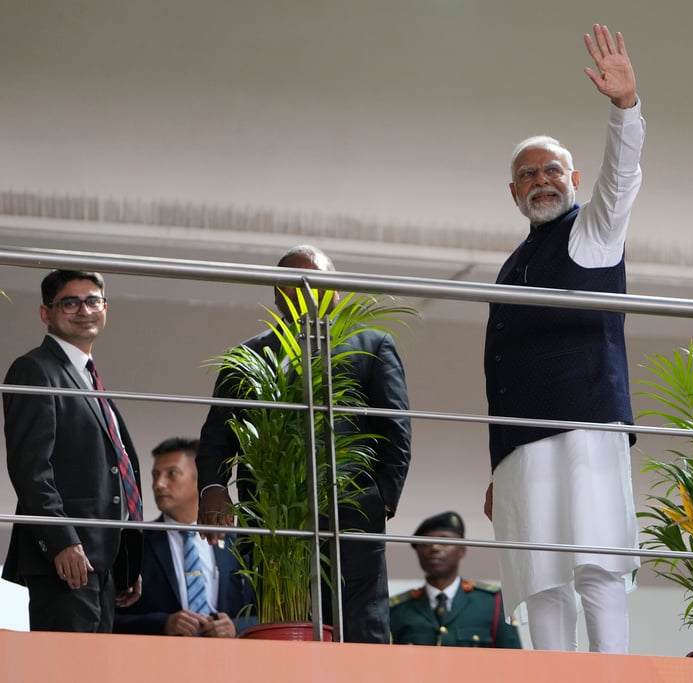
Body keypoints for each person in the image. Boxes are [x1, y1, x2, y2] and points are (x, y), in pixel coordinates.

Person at [482, 24, 643, 654]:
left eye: (552, 169)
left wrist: (625, 107)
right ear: (513, 193)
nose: (541, 180)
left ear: (573, 177)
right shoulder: (512, 263)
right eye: (528, 175)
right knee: (539, 578)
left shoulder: (591, 233)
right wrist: (500, 466)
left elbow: (621, 182)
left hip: (584, 429)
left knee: (597, 567)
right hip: (520, 449)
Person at [196, 244, 412, 644]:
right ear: (277, 293)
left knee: (358, 620)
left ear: (337, 291)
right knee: (282, 621)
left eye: (317, 282)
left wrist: (381, 499)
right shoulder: (249, 355)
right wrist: (212, 487)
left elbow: (395, 428)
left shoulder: (371, 344)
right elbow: (218, 434)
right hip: (272, 513)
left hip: (351, 511)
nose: (307, 292)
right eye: (294, 283)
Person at [2, 269, 143, 632]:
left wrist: (127, 559)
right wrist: (61, 541)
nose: (84, 310)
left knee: (96, 662)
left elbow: (115, 467)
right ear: (45, 313)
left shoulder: (88, 376)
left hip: (103, 562)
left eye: (93, 301)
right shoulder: (35, 369)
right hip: (66, 559)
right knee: (66, 662)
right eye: (70, 303)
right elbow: (31, 468)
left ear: (105, 308)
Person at [114, 437, 256, 637]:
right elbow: (113, 618)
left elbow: (267, 613)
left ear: (200, 479)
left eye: (172, 474)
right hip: (159, 653)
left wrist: (236, 627)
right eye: (155, 475)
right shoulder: (136, 543)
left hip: (228, 653)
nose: (159, 484)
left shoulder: (238, 543)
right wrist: (164, 624)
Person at [390, 511, 522, 648]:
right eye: (426, 543)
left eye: (444, 540)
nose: (434, 547)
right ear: (417, 552)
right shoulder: (397, 609)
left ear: (462, 550)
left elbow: (512, 657)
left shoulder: (492, 603)